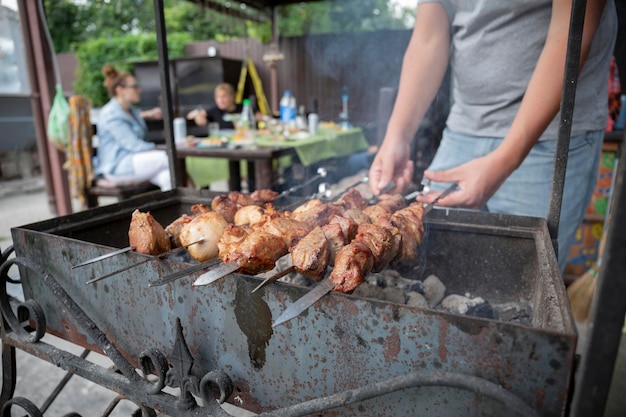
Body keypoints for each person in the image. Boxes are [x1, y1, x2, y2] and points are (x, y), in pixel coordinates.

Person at [369, 0, 617, 272]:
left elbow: (572, 31)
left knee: (520, 281)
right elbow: (428, 38)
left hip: (547, 139)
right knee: (424, 271)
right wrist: (397, 137)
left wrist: (505, 159)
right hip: (462, 129)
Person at [95, 64, 171, 191]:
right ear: (120, 90)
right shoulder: (111, 114)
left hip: (134, 162)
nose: (139, 90)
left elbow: (132, 121)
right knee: (168, 158)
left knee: (168, 177)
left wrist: (148, 114)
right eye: (134, 87)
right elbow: (133, 145)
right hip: (118, 166)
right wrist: (161, 148)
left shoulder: (130, 110)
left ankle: (175, 209)